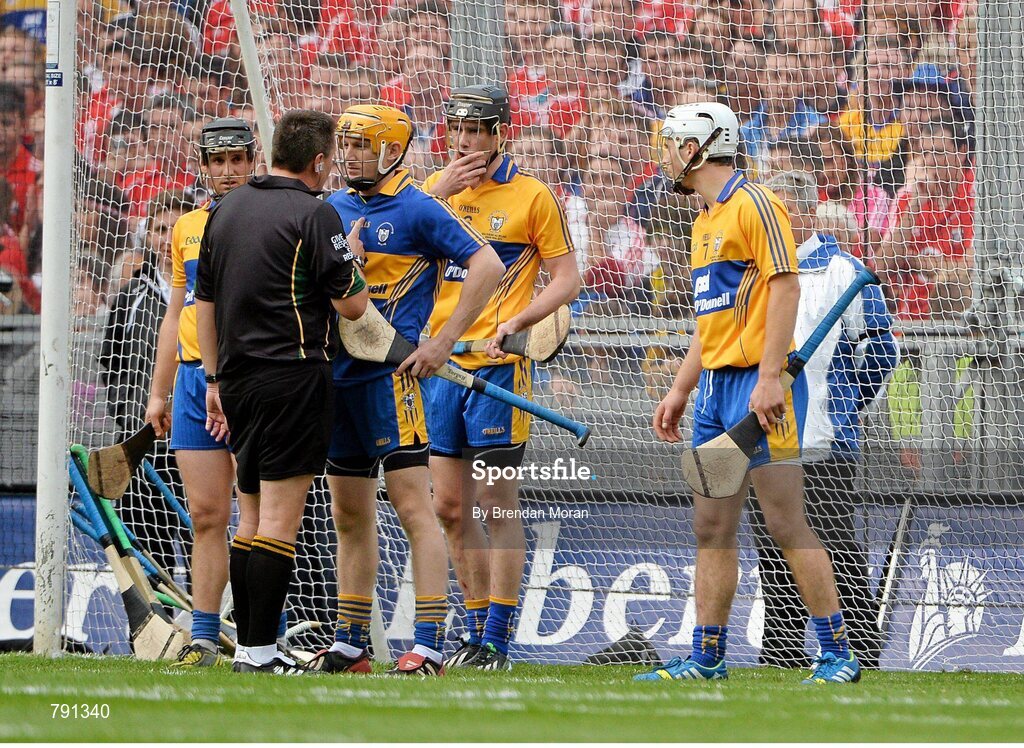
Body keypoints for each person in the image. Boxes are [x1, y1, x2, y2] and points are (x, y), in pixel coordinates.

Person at [636, 102, 861, 684]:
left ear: (695, 147)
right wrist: (682, 388)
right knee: (710, 526)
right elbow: (709, 318)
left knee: (786, 522)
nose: (664, 156)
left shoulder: (757, 203)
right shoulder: (704, 218)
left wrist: (768, 377)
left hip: (760, 386)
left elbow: (784, 289)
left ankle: (837, 654)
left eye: (670, 144)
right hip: (714, 389)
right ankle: (708, 658)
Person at [308, 104, 503, 677]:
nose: (350, 154)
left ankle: (428, 644)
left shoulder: (419, 207)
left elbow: (487, 266)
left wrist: (443, 340)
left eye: (362, 144)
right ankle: (350, 643)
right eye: (346, 143)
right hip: (338, 378)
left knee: (415, 509)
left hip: (393, 381)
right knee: (349, 515)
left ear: (393, 150)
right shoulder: (331, 209)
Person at [195, 110, 368, 675]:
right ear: (320, 161)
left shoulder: (224, 210)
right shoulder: (315, 215)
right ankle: (261, 654)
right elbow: (353, 306)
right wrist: (355, 262)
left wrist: (214, 379)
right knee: (278, 523)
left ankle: (248, 649)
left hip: (236, 382)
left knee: (248, 521)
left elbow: (206, 304)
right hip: (294, 377)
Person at [424, 85, 580, 670]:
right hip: (440, 365)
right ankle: (471, 626)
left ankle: (497, 636)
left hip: (499, 370)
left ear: (499, 132)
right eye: (458, 130)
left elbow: (566, 279)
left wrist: (519, 319)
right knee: (448, 507)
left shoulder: (532, 196)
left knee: (494, 501)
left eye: (478, 130)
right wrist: (436, 194)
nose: (466, 141)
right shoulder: (433, 192)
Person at [757, 170, 899, 670]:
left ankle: (859, 646)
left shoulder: (843, 270)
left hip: (823, 435)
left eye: (775, 212)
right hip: (768, 434)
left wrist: (846, 407)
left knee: (834, 542)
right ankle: (780, 652)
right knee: (773, 546)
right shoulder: (758, 272)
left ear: (798, 213)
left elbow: (882, 348)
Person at [144, 117, 258, 668]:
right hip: (191, 380)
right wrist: (158, 391)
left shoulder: (265, 217)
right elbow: (176, 312)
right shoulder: (187, 227)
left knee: (257, 514)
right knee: (208, 515)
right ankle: (206, 638)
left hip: (247, 377)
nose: (229, 172)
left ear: (253, 162)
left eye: (238, 161)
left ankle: (265, 635)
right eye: (219, 162)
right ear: (205, 166)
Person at [99, 188, 190, 576]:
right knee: (148, 545)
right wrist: (130, 415)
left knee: (202, 532)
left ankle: (210, 627)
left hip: (199, 433)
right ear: (147, 236)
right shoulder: (130, 297)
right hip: (145, 439)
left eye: (174, 227)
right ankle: (160, 629)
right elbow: (110, 364)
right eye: (158, 228)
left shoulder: (210, 290)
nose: (166, 235)